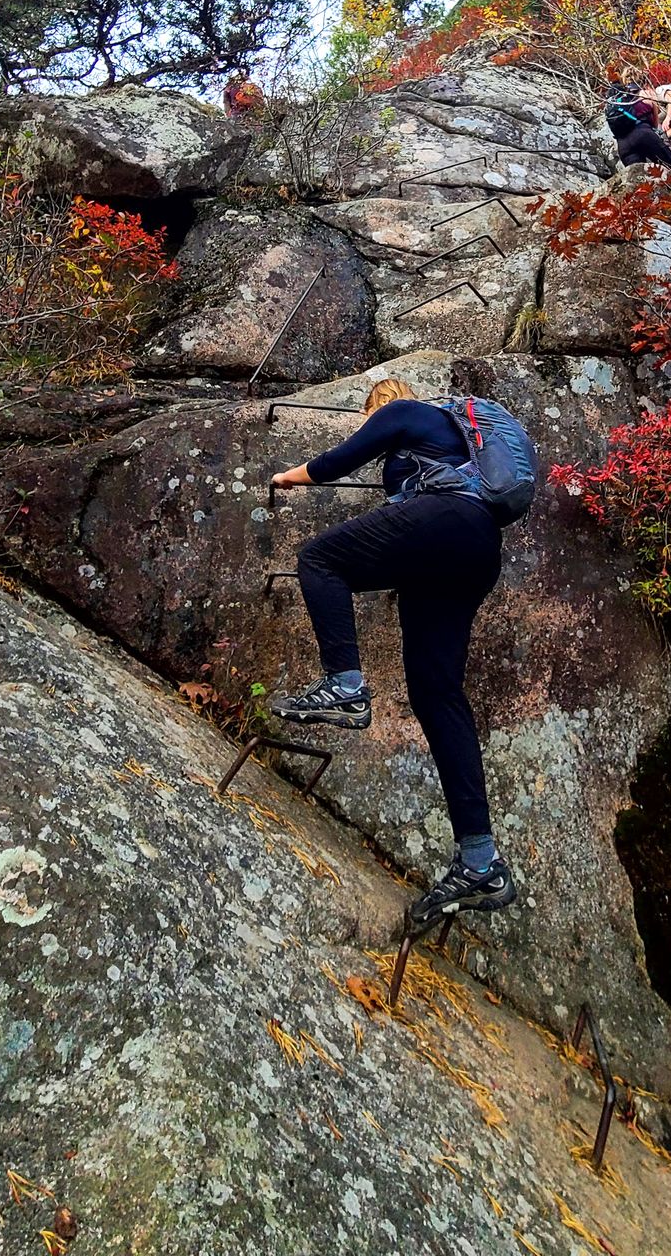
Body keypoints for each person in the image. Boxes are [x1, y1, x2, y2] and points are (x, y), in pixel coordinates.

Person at [268, 378, 520, 929]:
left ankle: (346, 686)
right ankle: (481, 861)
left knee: (319, 560)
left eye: (367, 413)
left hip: (445, 520)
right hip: (475, 548)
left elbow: (338, 462)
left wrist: (290, 476)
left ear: (376, 405)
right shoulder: (455, 442)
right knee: (437, 695)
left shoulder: (406, 411)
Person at [603, 62, 671, 168]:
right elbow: (655, 124)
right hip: (644, 134)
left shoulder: (617, 99)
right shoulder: (647, 94)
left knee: (638, 180)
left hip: (623, 145)